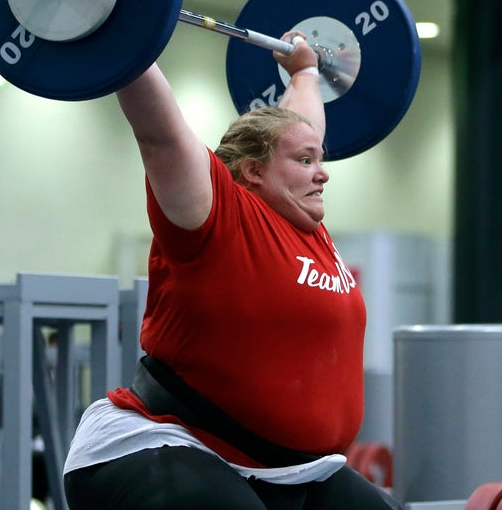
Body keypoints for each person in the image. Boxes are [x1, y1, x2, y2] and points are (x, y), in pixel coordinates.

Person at [62, 33, 401, 509]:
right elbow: (159, 134)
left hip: (285, 469)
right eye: (306, 161)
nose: (322, 171)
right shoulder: (217, 217)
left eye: (319, 159)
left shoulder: (307, 229)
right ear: (252, 172)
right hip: (163, 444)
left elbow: (303, 126)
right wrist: (120, 35)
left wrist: (304, 71)